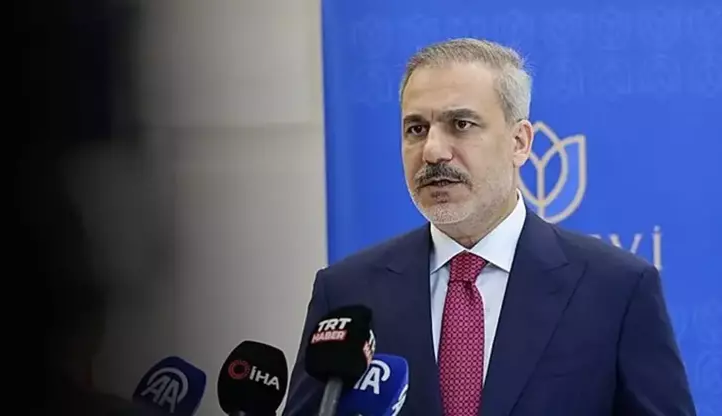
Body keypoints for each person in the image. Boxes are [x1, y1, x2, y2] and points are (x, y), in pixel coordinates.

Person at [282, 38, 696, 415]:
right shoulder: (347, 293)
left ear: (520, 143)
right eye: (416, 129)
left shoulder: (617, 289)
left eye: (461, 124)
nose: (432, 151)